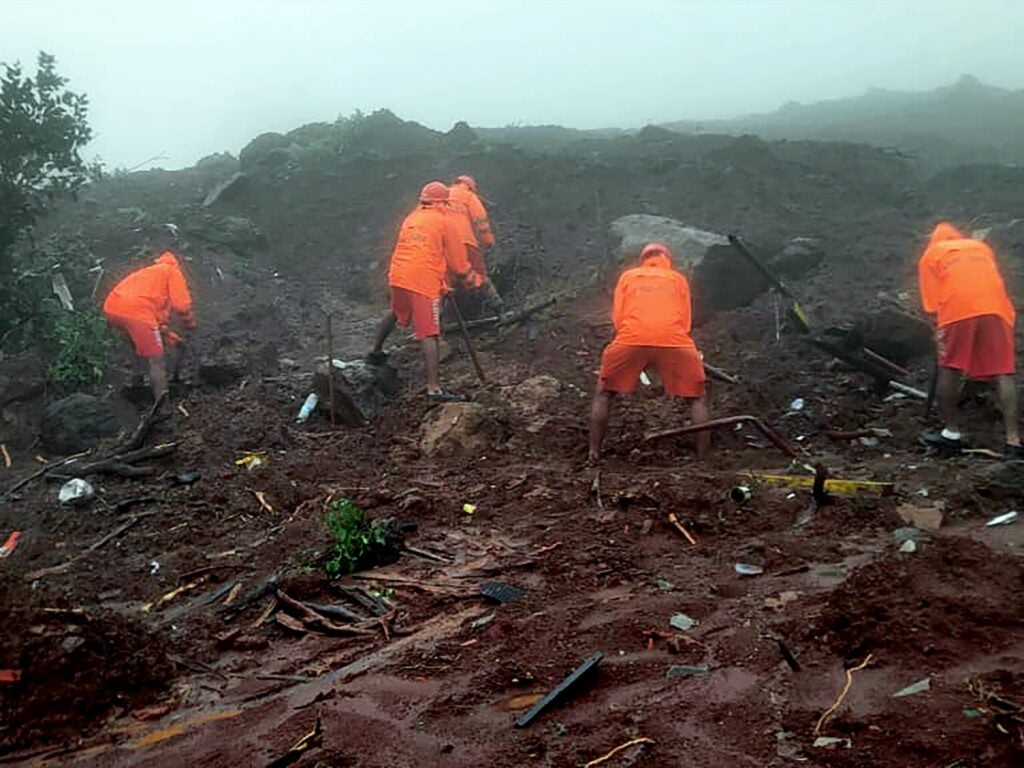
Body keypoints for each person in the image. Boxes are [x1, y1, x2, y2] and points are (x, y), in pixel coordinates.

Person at [588, 242, 709, 462]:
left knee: (603, 392)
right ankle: (703, 458)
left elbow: (618, 317)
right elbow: (685, 320)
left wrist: (639, 345)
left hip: (631, 338)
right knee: (697, 398)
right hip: (675, 340)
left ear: (643, 259)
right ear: (667, 259)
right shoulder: (678, 279)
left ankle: (593, 453)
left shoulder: (628, 277)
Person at [369, 181, 482, 402]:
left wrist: (443, 281)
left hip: (399, 274)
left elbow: (424, 250)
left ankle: (375, 353)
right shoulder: (445, 221)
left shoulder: (412, 217)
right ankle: (434, 390)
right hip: (422, 280)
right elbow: (458, 264)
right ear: (444, 202)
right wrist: (474, 281)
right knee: (430, 333)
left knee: (395, 310)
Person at [918, 222, 1021, 456]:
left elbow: (932, 304)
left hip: (957, 309)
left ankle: (951, 434)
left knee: (950, 366)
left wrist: (939, 332)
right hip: (998, 310)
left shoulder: (932, 254)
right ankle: (1013, 440)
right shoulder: (980, 247)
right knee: (1003, 371)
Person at [103, 249, 195, 407]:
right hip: (136, 311)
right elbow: (182, 305)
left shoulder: (150, 274)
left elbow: (153, 320)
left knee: (134, 345)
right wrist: (189, 324)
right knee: (156, 361)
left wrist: (170, 337)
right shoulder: (172, 271)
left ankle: (137, 383)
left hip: (113, 307)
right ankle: (163, 406)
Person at [449, 174, 503, 310]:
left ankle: (441, 318)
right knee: (480, 274)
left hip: (443, 244)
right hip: (465, 242)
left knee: (445, 281)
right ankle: (499, 308)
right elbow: (481, 223)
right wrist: (489, 243)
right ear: (471, 187)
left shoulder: (441, 194)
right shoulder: (469, 197)